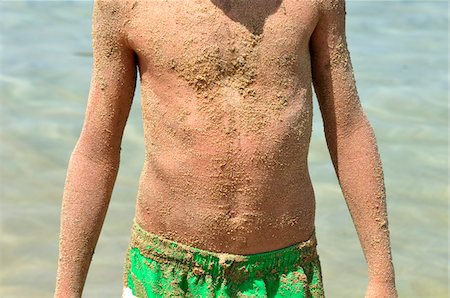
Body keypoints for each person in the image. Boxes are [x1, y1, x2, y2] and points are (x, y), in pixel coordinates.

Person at [54, 0, 398, 297]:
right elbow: (97, 148)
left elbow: (348, 127)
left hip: (285, 272)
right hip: (166, 270)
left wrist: (382, 279)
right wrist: (67, 291)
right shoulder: (128, 5)